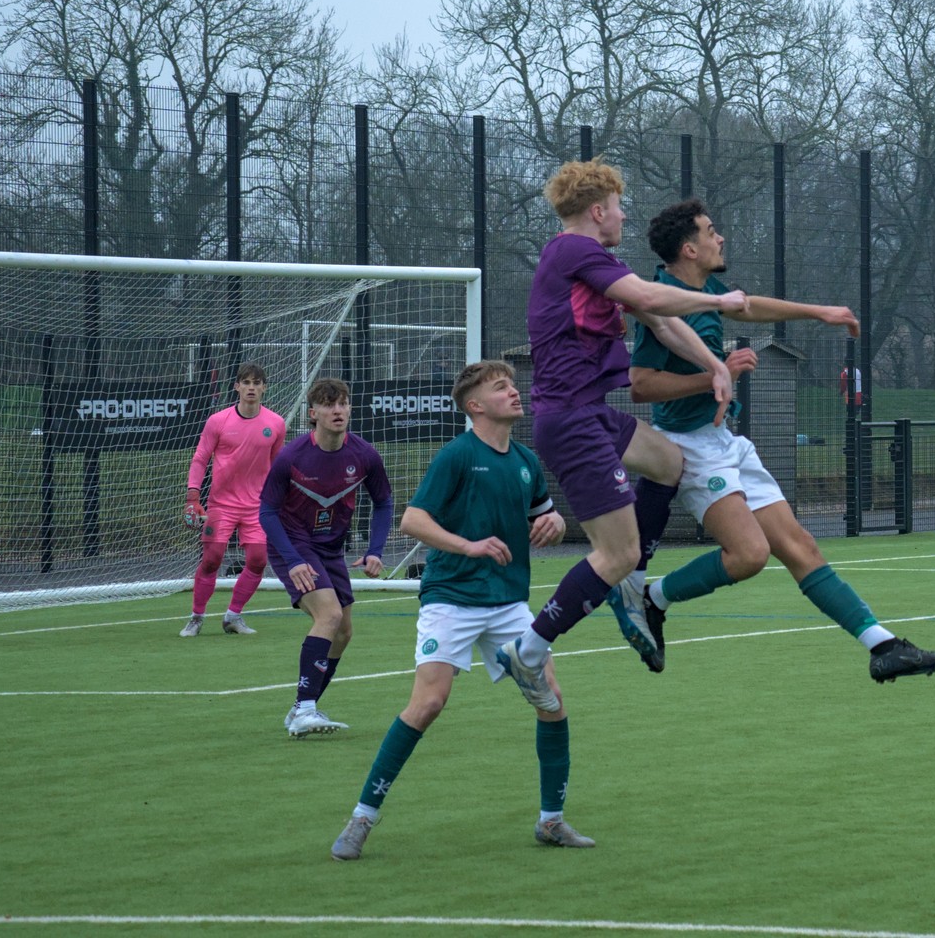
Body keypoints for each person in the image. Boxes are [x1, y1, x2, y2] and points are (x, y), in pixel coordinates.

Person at [621, 200, 935, 683]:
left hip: (724, 440)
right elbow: (641, 385)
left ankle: (881, 645)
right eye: (712, 231)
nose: (722, 238)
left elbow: (748, 304)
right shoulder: (662, 300)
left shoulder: (704, 287)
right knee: (750, 556)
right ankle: (653, 596)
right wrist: (717, 375)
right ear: (689, 248)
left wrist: (820, 312)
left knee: (800, 546)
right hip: (688, 447)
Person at [494, 160, 749, 702]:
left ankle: (632, 587)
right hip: (570, 420)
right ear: (597, 210)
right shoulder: (573, 250)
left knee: (669, 463)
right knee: (615, 555)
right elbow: (656, 300)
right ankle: (530, 649)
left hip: (588, 413)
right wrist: (717, 300)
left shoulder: (597, 259)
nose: (623, 214)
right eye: (617, 205)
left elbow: (657, 320)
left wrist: (715, 366)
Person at [332, 360, 592, 860]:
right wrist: (468, 546)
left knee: (551, 700)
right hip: (451, 598)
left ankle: (551, 821)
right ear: (475, 406)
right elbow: (412, 520)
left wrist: (555, 522)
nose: (515, 393)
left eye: (514, 385)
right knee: (429, 703)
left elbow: (544, 514)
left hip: (509, 602)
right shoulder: (456, 455)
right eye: (501, 388)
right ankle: (362, 817)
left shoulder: (525, 460)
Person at [258, 377, 394, 738]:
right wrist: (292, 559)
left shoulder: (364, 454)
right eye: (329, 405)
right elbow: (267, 512)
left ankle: (302, 707)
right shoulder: (292, 456)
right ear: (313, 413)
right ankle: (306, 709)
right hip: (292, 544)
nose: (338, 410)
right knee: (329, 615)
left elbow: (384, 502)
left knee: (344, 632)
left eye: (343, 403)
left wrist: (375, 550)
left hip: (331, 547)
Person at [180, 363, 286, 637]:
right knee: (213, 558)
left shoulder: (275, 424)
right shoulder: (218, 421)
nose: (251, 387)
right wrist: (193, 496)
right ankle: (196, 617)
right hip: (221, 506)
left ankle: (233, 616)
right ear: (236, 387)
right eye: (246, 382)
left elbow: (277, 468)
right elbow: (201, 457)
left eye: (257, 382)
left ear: (264, 387)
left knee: (259, 560)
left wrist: (279, 501)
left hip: (257, 507)